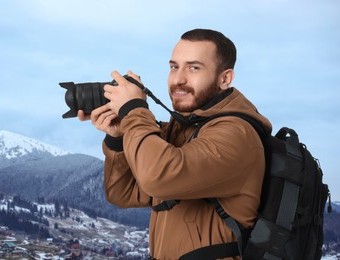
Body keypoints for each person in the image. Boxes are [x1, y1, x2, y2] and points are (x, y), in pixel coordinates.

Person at [78, 28, 272, 259]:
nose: (179, 79)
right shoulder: (184, 129)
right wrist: (119, 138)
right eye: (174, 67)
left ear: (224, 78)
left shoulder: (235, 134)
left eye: (194, 68)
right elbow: (124, 193)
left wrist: (134, 111)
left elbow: (156, 176)